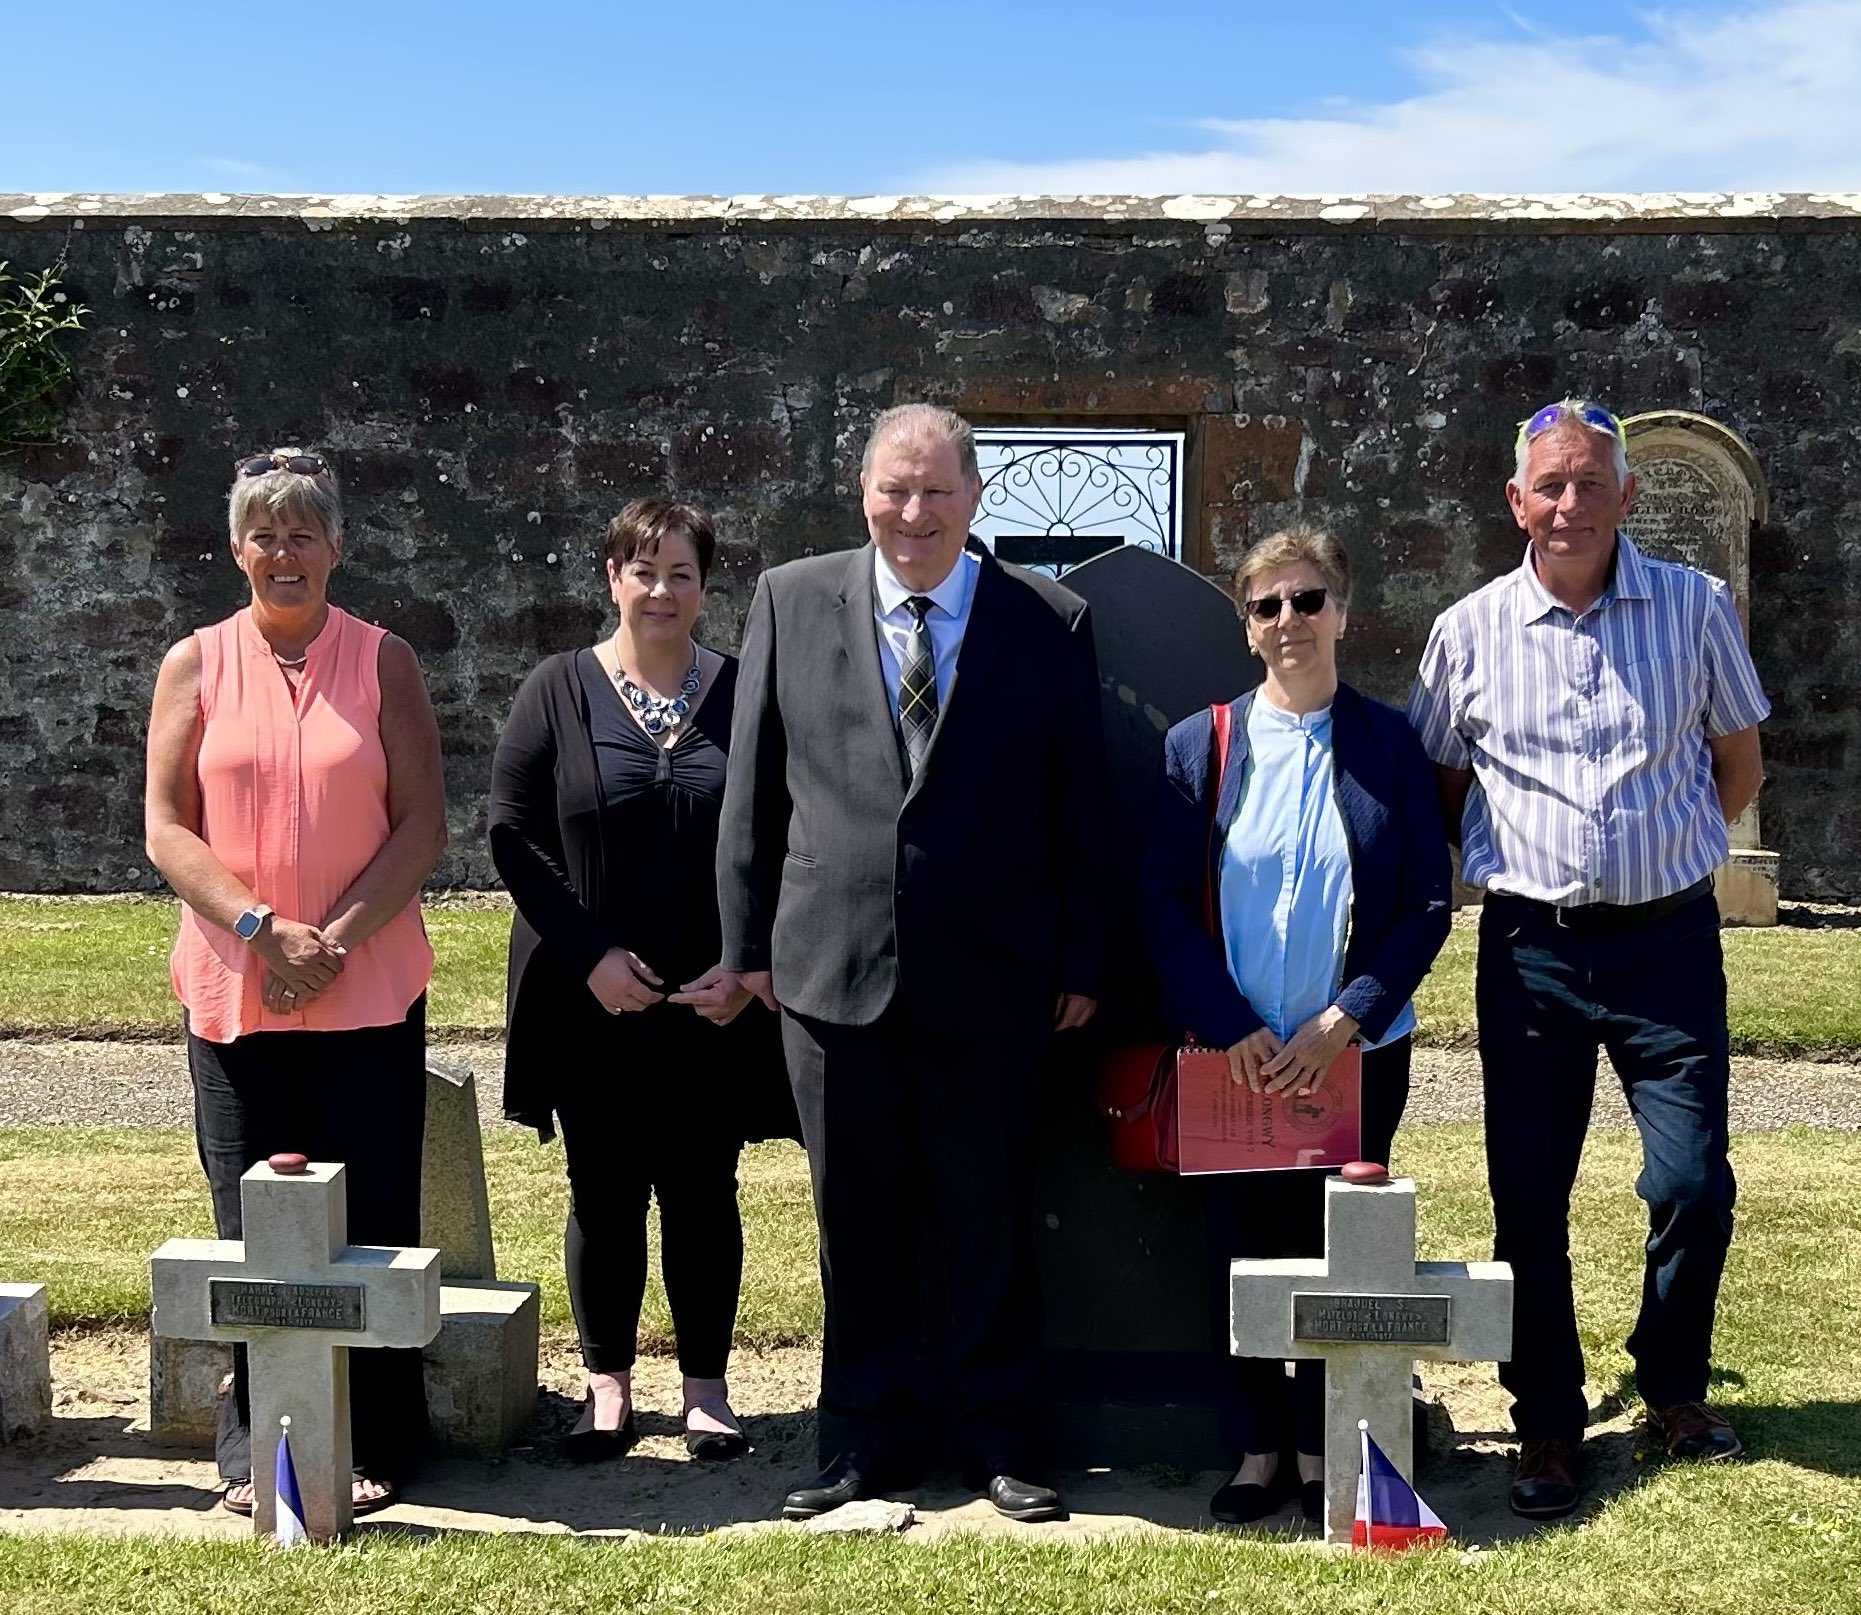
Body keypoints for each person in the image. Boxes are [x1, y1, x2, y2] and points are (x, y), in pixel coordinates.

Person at [716, 404, 1108, 1522]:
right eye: (896, 488)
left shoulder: (1049, 617)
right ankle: (861, 1440)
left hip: (996, 974)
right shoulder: (792, 599)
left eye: (937, 490)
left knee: (986, 1214)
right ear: (862, 492)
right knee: (857, 1217)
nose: (914, 512)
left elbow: (1078, 799)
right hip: (829, 970)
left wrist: (1083, 952)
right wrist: (745, 949)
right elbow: (754, 786)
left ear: (976, 497)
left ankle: (998, 1435)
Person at [1407, 398, 1769, 1520]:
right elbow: (1440, 787)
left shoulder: (1695, 607)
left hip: (1666, 943)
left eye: (1590, 484)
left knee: (1693, 1182)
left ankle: (1671, 1387)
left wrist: (1670, 859)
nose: (1569, 504)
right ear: (1515, 501)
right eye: (1548, 485)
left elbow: (1737, 764)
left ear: (1624, 496)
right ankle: (1548, 1424)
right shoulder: (1465, 631)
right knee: (1528, 1197)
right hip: (1531, 953)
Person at [144, 448, 447, 1516]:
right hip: (237, 987)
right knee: (248, 1220)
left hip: (365, 988)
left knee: (370, 1216)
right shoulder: (193, 663)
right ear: (236, 551)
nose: (285, 552)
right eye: (265, 534)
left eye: (303, 533)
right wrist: (265, 932)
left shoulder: (385, 661)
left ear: (337, 548)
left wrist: (334, 940)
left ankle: (377, 1433)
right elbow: (168, 827)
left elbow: (422, 826)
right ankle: (254, 1443)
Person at [1140, 527, 1451, 1526]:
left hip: (1349, 1057)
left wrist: (1345, 1016)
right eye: (1266, 605)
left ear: (1343, 612)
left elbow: (1425, 906)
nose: (1289, 622)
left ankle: (1325, 1451)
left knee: (1332, 1256)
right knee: (1237, 1254)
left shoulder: (1388, 743)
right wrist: (1229, 1024)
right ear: (1245, 626)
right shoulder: (1200, 745)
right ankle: (1256, 1447)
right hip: (1234, 1055)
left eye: (1307, 600)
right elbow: (1159, 903)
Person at [489, 497, 790, 1464]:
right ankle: (606, 1385)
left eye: (682, 573)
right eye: (642, 569)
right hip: (592, 1000)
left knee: (706, 1189)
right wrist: (590, 957)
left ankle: (707, 1388)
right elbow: (515, 835)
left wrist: (747, 968)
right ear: (610, 576)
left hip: (711, 1002)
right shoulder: (556, 688)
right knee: (603, 1189)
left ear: (708, 586)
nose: (661, 590)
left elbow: (789, 838)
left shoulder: (746, 695)